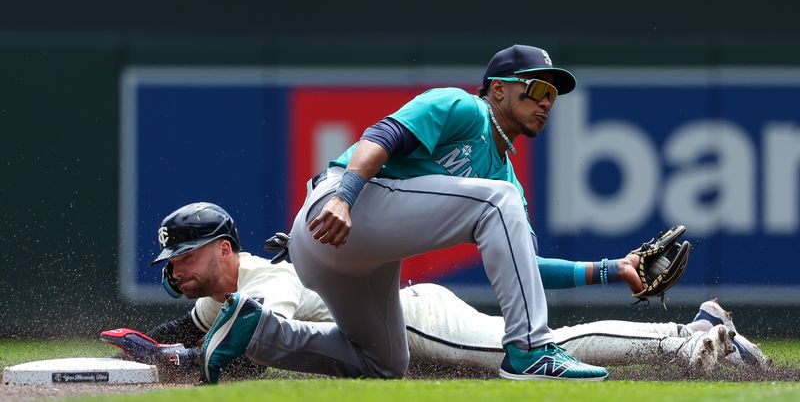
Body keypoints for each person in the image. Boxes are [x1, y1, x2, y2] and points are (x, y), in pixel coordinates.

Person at [196, 44, 614, 382]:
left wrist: (609, 271)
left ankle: (255, 332)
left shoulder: (504, 181)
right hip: (342, 209)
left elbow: (526, 270)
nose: (546, 102)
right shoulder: (465, 108)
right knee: (497, 200)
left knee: (385, 363)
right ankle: (529, 349)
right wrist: (344, 197)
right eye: (536, 88)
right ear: (498, 89)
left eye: (553, 95)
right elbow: (382, 134)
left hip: (355, 257)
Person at [104, 201, 770, 381]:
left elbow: (253, 347)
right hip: (396, 331)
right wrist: (138, 351)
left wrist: (187, 366)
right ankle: (689, 335)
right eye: (171, 257)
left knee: (534, 351)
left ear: (222, 249)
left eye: (184, 255)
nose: (175, 266)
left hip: (414, 320)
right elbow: (190, 329)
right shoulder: (211, 297)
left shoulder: (265, 280)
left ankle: (687, 334)